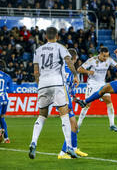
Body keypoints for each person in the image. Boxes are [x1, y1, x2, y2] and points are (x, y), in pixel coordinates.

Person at [29, 27, 79, 159]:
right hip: (57, 83)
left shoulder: (38, 50)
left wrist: (39, 85)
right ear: (56, 36)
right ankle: (69, 146)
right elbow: (69, 61)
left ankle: (33, 142)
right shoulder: (60, 47)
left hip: (43, 84)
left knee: (42, 116)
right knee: (64, 115)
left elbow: (35, 71)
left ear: (45, 36)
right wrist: (75, 75)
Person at [77, 47, 117, 132]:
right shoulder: (92, 60)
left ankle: (112, 124)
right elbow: (79, 69)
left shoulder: (109, 60)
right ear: (100, 54)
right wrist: (88, 72)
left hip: (102, 84)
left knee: (109, 101)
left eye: (107, 56)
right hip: (92, 83)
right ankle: (78, 125)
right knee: (87, 104)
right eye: (104, 56)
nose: (105, 58)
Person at [58, 48, 88, 159]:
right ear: (73, 59)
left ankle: (74, 149)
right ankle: (62, 152)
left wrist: (77, 99)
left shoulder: (64, 69)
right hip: (63, 99)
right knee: (72, 126)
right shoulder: (68, 69)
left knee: (74, 126)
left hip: (65, 98)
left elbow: (70, 89)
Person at [0, 60, 13, 143]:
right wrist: (4, 89)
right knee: (1, 117)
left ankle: (0, 131)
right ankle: (6, 138)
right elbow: (11, 90)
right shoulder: (7, 76)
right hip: (5, 100)